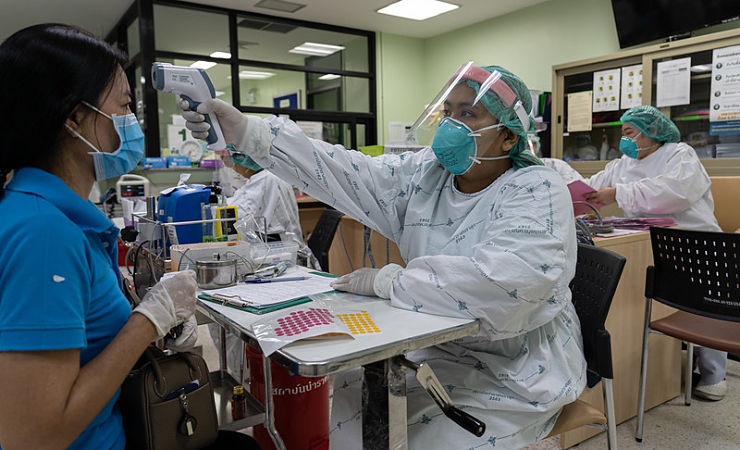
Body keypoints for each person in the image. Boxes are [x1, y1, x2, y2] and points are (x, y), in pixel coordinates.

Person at [181, 63, 587, 448]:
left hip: (515, 368)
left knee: (425, 438)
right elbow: (351, 172)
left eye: (469, 114)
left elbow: (510, 284)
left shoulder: (537, 190)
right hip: (439, 346)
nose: (450, 125)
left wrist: (388, 281)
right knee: (355, 393)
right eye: (447, 111)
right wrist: (251, 134)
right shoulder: (428, 174)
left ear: (509, 136)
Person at [0, 24, 201, 449]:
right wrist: (147, 322)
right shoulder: (44, 234)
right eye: (124, 106)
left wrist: (149, 324)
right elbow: (31, 436)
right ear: (74, 116)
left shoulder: (57, 215)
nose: (132, 122)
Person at [584, 105, 728, 401]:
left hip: (696, 243)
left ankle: (714, 374)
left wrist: (619, 194)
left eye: (629, 132)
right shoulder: (622, 163)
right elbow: (594, 187)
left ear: (652, 132)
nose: (623, 140)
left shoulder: (680, 154)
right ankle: (654, 370)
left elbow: (673, 192)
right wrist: (583, 200)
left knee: (702, 303)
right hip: (646, 243)